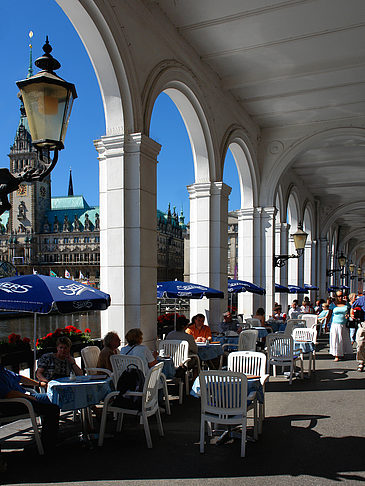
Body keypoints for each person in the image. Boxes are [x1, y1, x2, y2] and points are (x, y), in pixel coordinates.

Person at [0, 366, 60, 451]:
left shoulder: (3, 370)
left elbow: (20, 378)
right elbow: (8, 394)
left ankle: (52, 436)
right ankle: (47, 444)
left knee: (54, 398)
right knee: (52, 409)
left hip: (25, 397)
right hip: (15, 403)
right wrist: (27, 396)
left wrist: (38, 384)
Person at [330, 291, 353, 362]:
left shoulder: (346, 304)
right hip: (335, 324)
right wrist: (326, 324)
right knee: (336, 339)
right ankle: (336, 355)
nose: (340, 297)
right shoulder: (333, 304)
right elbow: (329, 314)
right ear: (336, 297)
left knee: (343, 339)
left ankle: (342, 353)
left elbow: (350, 312)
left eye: (341, 296)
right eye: (338, 296)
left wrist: (348, 315)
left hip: (344, 324)